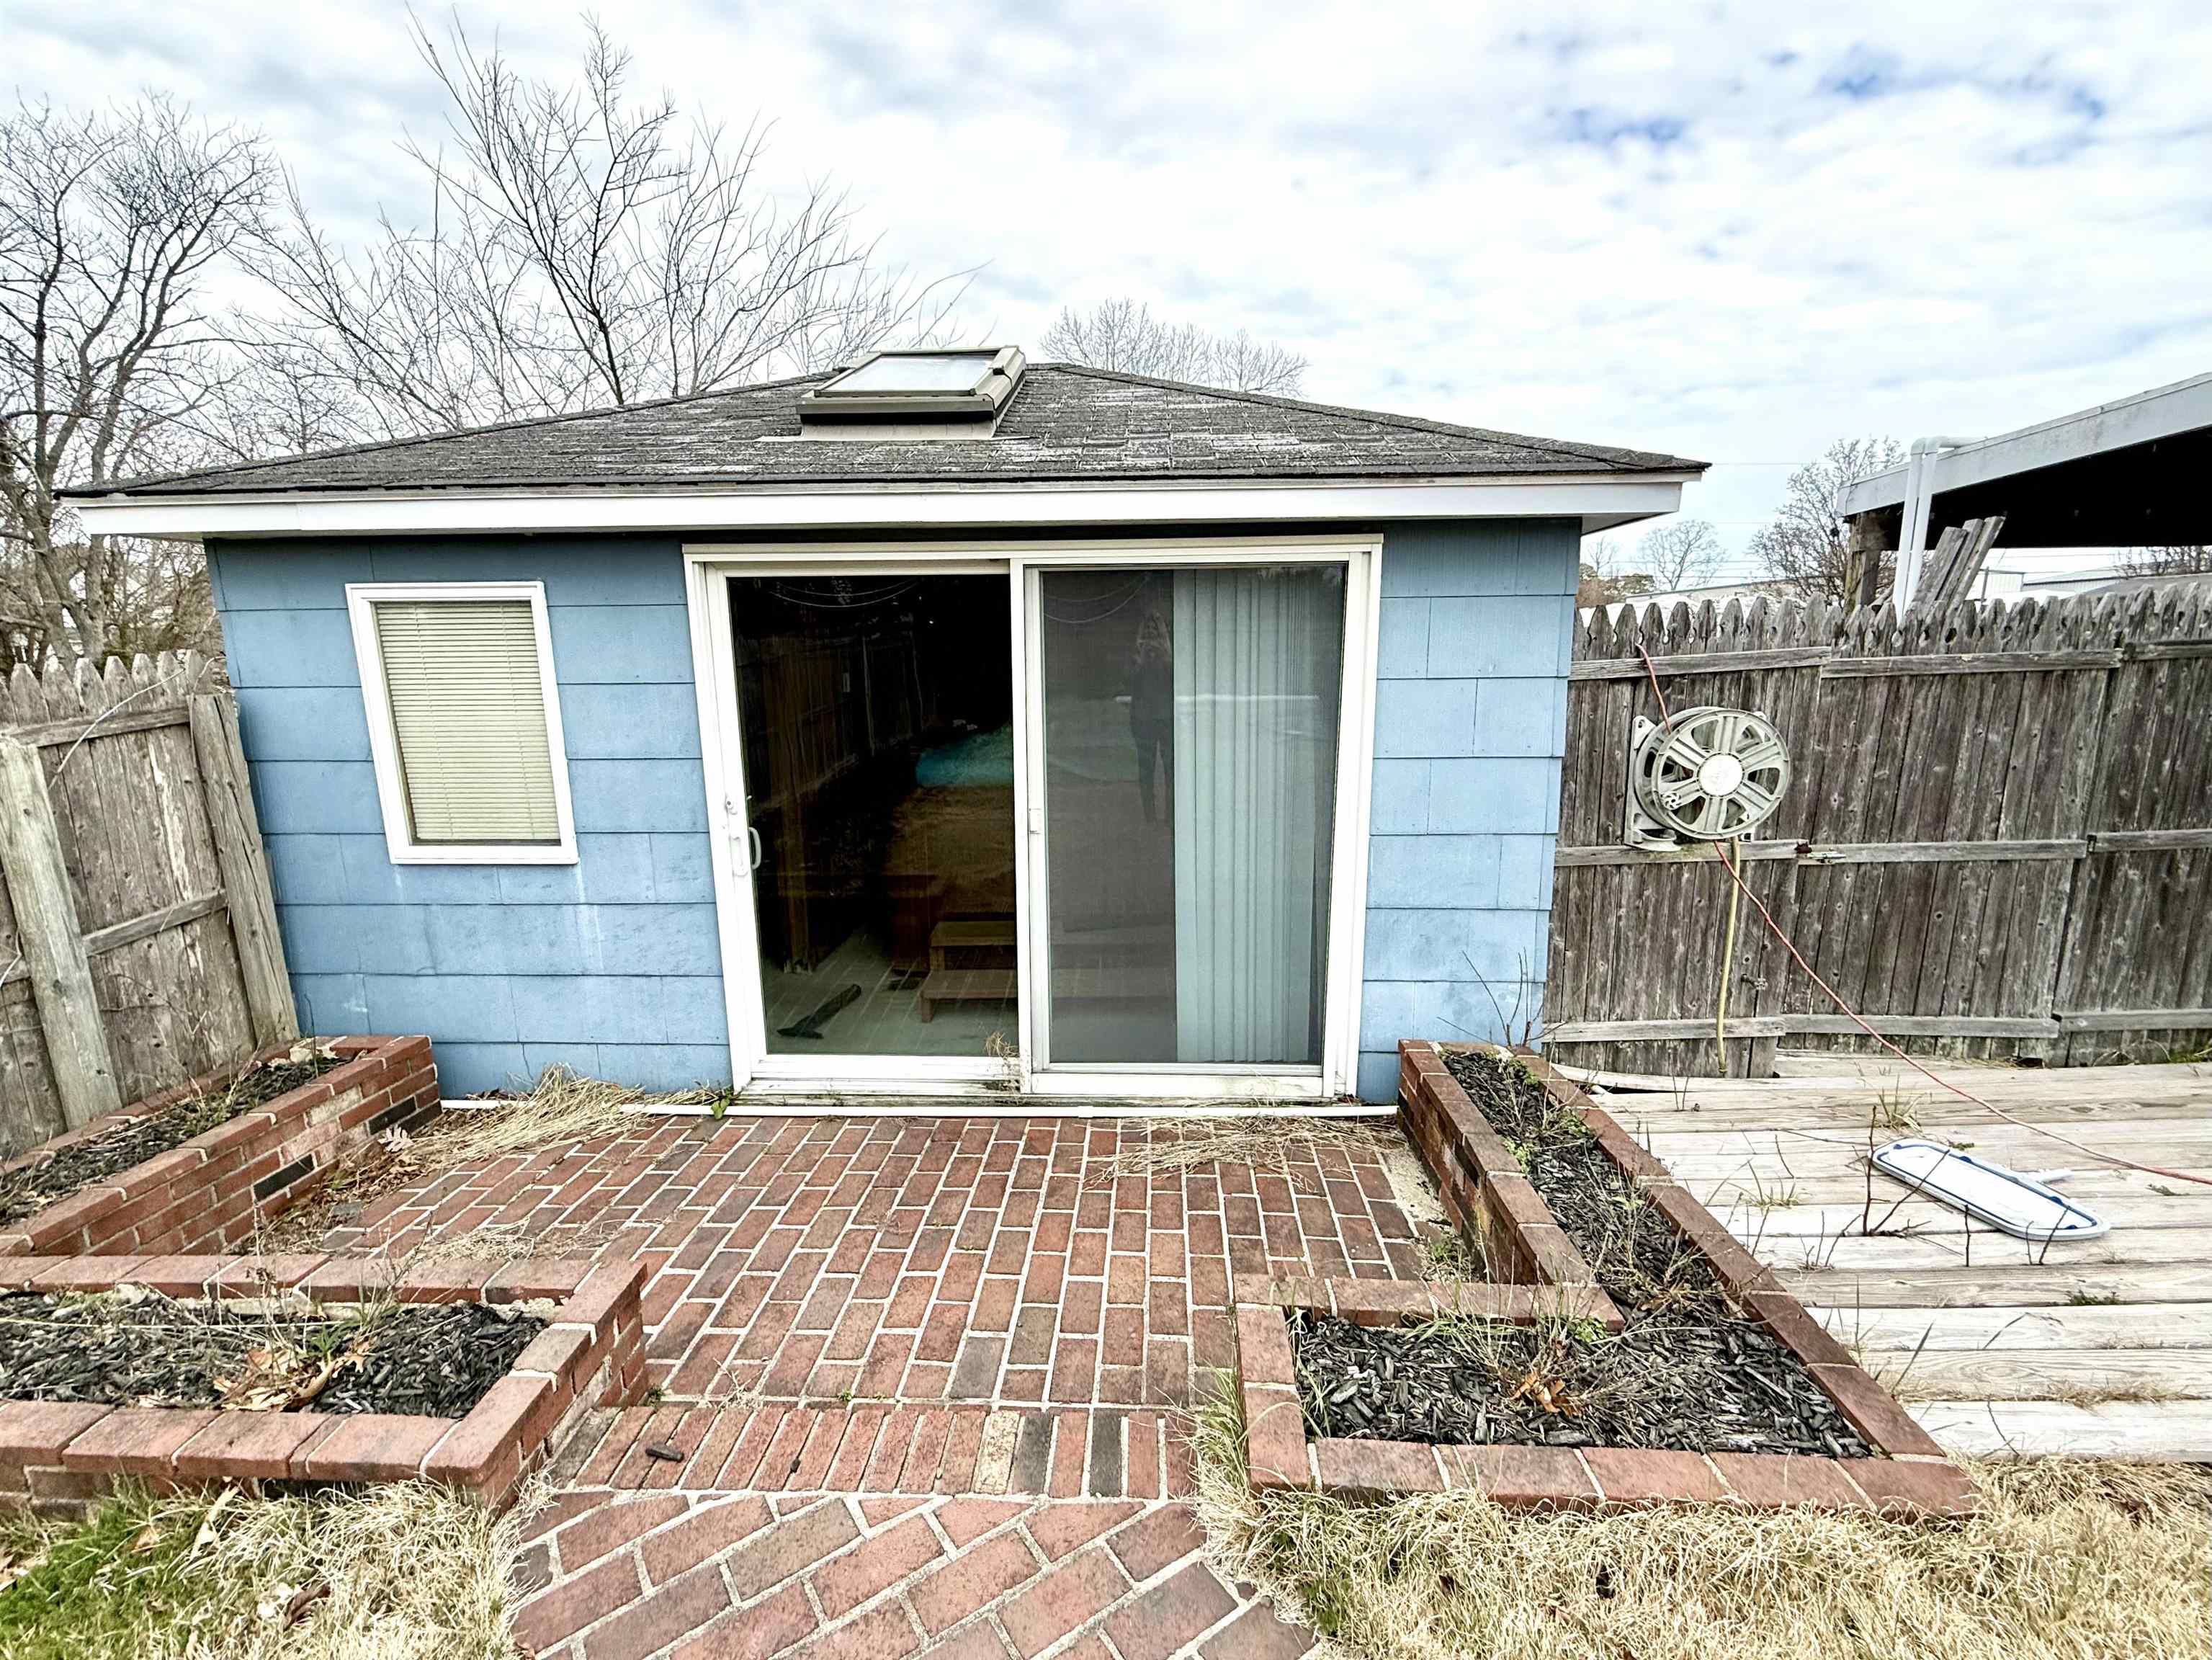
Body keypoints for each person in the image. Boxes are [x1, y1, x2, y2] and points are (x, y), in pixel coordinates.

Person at [1128, 604, 1173, 823]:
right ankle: (1150, 818)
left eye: (1156, 631)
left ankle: (1170, 817)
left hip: (1165, 719)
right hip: (1144, 720)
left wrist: (1165, 652)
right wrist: (1141, 657)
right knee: (1146, 769)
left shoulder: (1170, 656)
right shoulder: (1137, 656)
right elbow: (1129, 682)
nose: (1152, 636)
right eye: (1148, 632)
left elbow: (1174, 677)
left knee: (1170, 770)